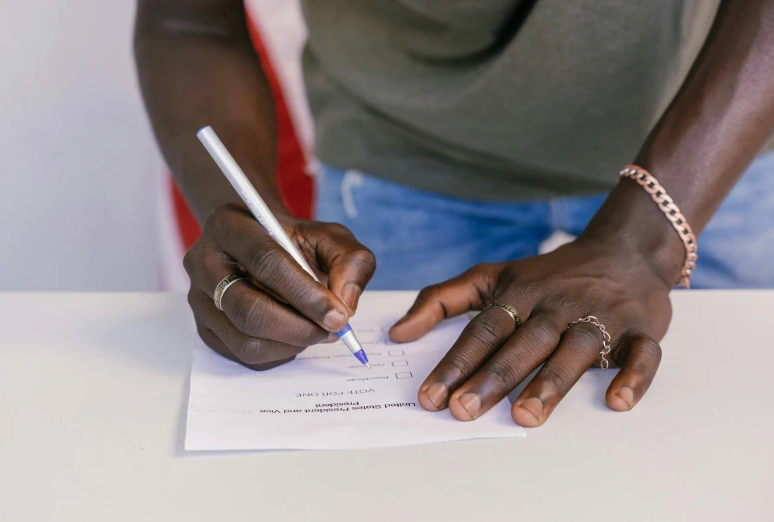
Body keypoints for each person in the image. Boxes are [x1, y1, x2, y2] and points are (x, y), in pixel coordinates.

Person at [134, 0, 774, 427]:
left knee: (726, 434)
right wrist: (252, 229)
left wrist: (645, 242)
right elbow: (189, 24)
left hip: (712, 138)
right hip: (404, 155)